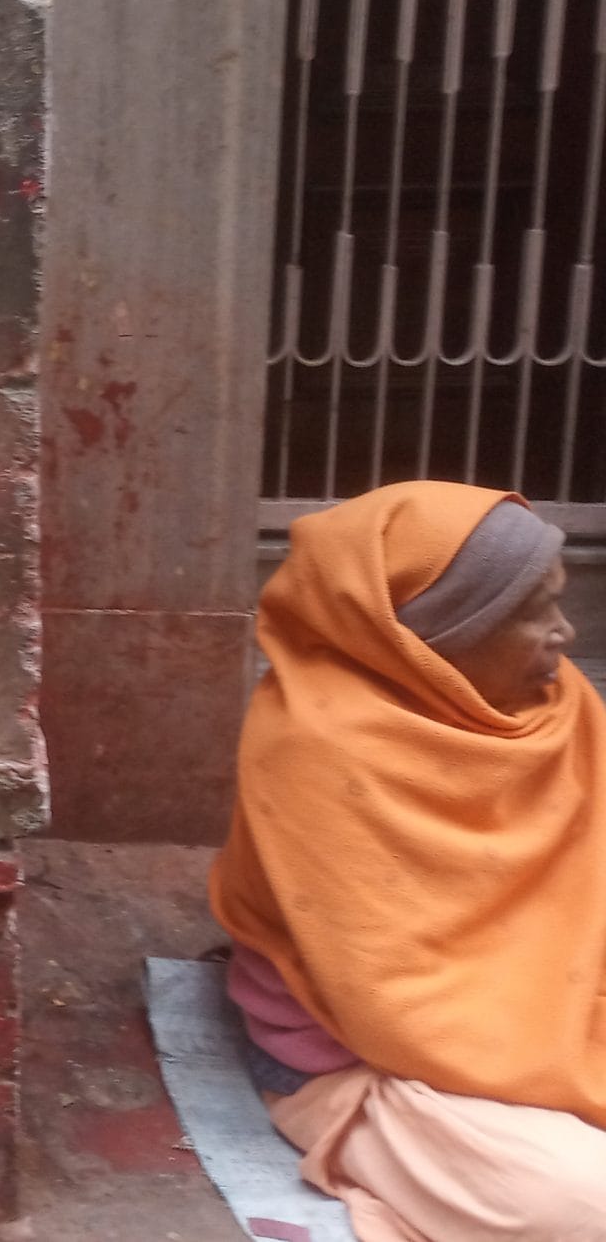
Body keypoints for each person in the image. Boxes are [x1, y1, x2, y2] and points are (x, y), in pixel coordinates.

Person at [210, 480, 606, 1242]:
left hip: (528, 1014)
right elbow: (391, 1007)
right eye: (535, 611)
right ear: (438, 637)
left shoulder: (560, 705)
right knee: (580, 1204)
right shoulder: (319, 746)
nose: (566, 631)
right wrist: (567, 1062)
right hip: (371, 1060)